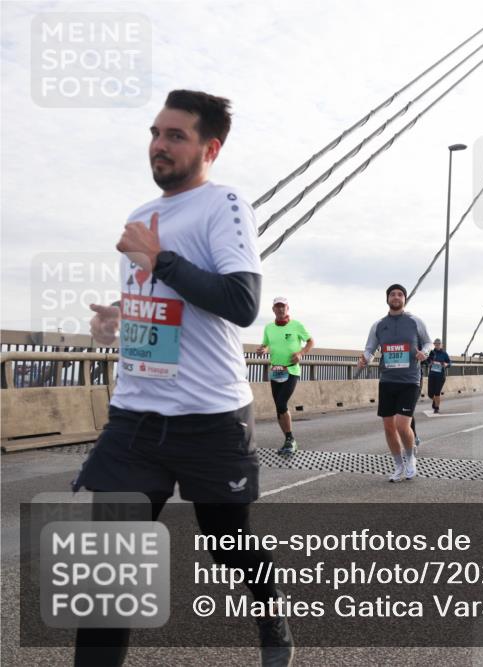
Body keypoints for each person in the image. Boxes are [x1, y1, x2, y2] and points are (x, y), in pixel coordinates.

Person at [77, 90, 293, 665]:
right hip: (136, 417)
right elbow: (169, 309)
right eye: (155, 132)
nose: (159, 144)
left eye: (176, 135)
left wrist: (158, 260)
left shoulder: (224, 205)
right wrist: (121, 320)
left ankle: (271, 611)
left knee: (227, 541)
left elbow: (241, 302)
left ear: (209, 147)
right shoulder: (138, 219)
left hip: (209, 417)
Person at [359, 284, 432, 482]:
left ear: (404, 299)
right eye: (392, 294)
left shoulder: (415, 321)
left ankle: (410, 458)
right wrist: (366, 358)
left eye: (400, 294)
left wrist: (423, 353)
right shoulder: (378, 325)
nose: (396, 297)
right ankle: (398, 465)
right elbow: (370, 349)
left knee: (401, 425)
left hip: (410, 380)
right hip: (387, 380)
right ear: (387, 299)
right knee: (389, 427)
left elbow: (428, 342)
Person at [256, 296, 313, 454]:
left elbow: (310, 341)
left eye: (283, 306)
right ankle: (289, 440)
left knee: (282, 403)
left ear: (288, 308)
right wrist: (263, 350)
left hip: (291, 370)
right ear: (273, 309)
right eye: (277, 306)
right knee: (278, 408)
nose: (280, 309)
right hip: (275, 371)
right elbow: (266, 345)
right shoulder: (269, 328)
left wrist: (301, 353)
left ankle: (290, 439)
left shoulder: (296, 325)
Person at [425, 338, 452, 413]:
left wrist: (446, 364)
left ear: (441, 345)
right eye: (436, 344)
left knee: (437, 392)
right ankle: (436, 401)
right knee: (430, 394)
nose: (437, 345)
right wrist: (429, 363)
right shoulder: (431, 352)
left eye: (439, 344)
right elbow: (427, 361)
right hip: (432, 375)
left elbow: (450, 363)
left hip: (440, 376)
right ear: (434, 344)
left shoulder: (444, 353)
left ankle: (436, 408)